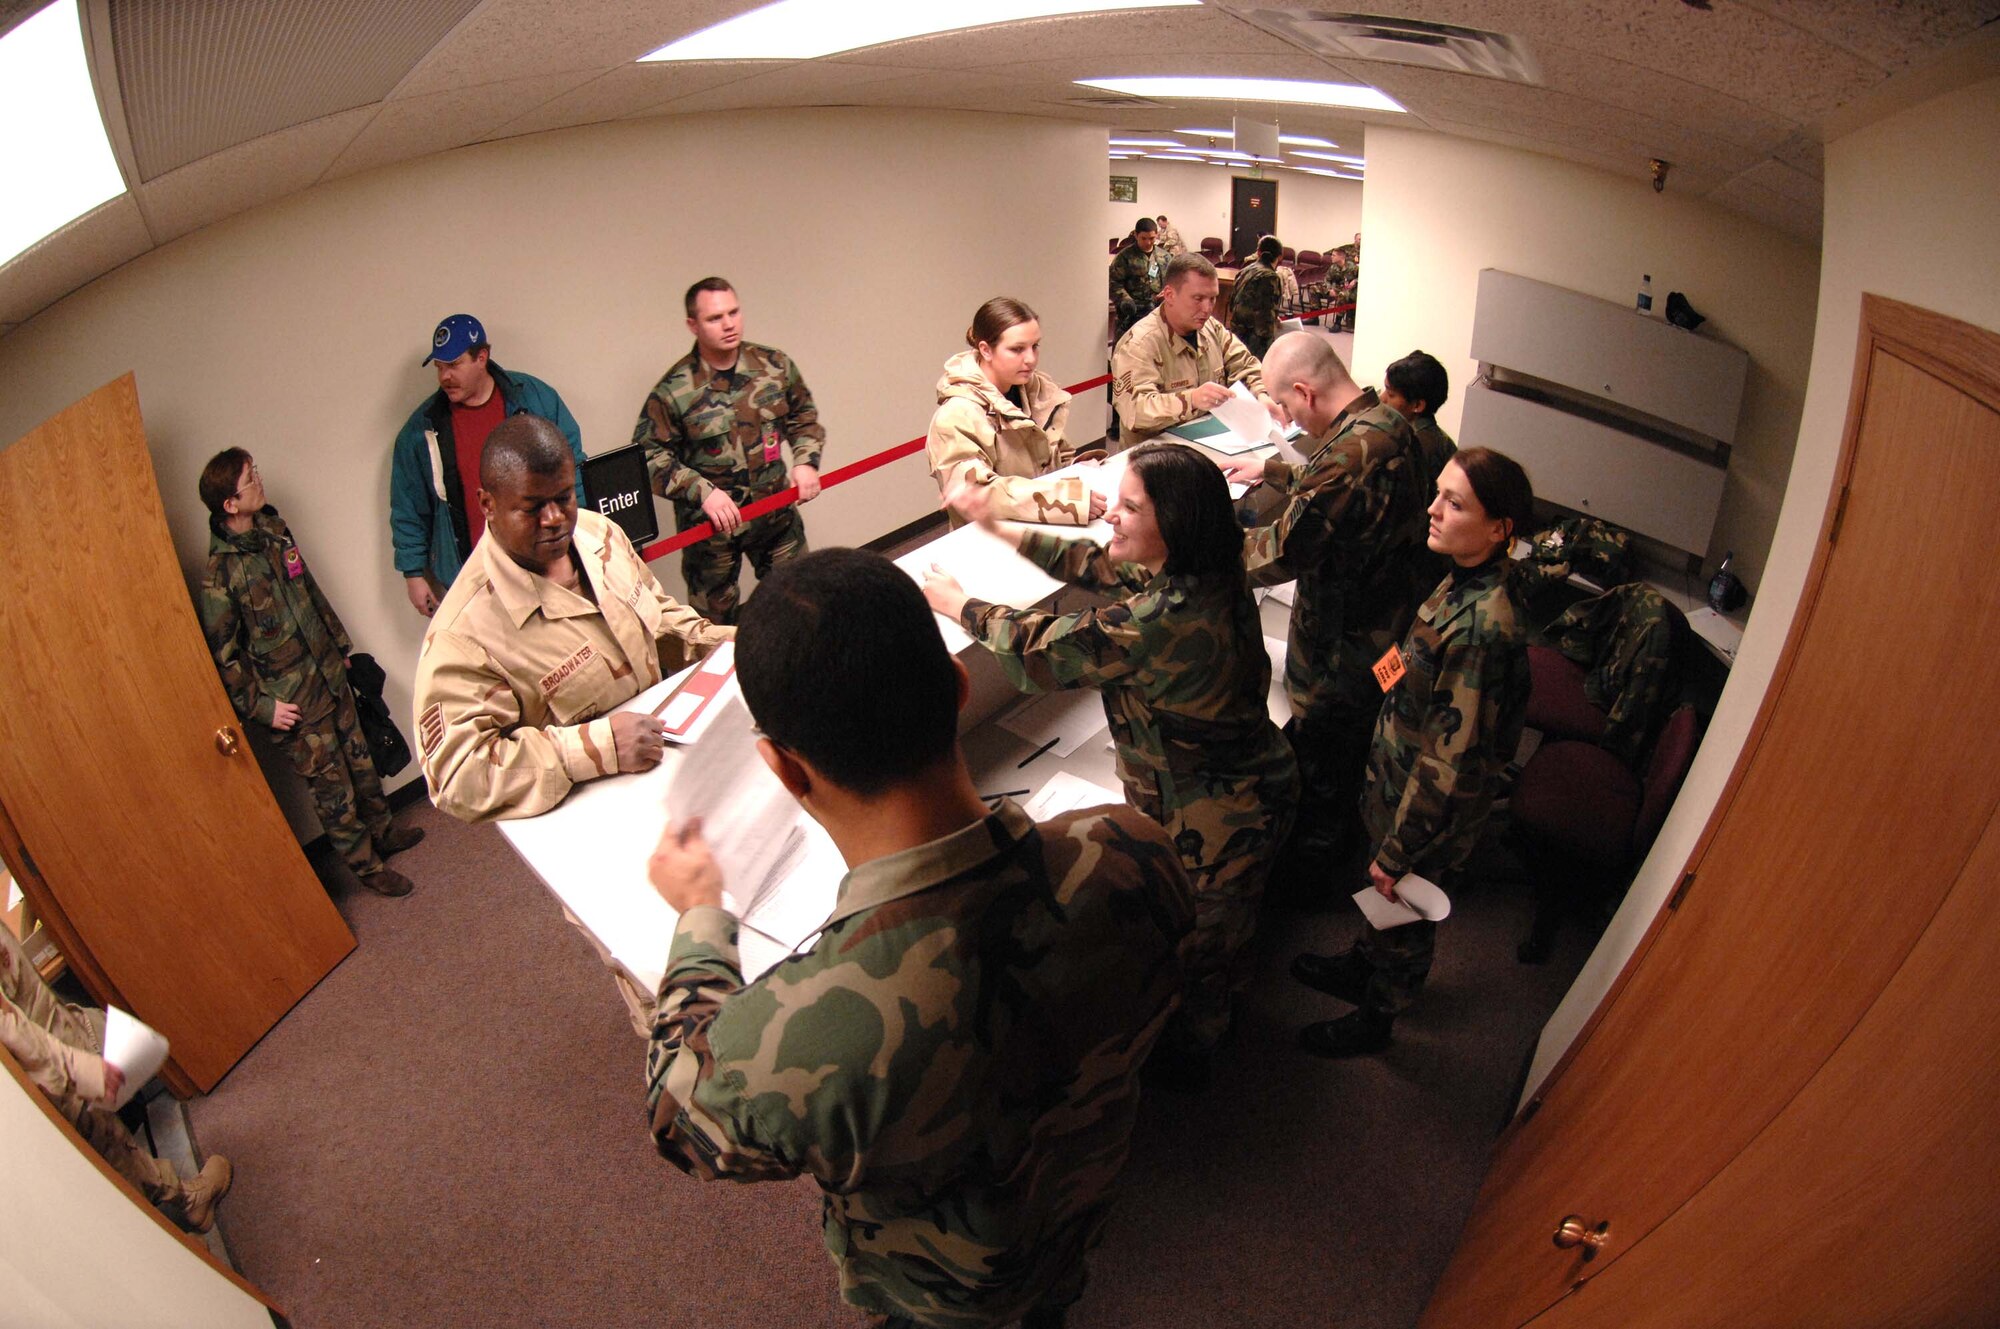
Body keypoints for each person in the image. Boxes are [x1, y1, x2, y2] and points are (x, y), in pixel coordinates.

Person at [644, 548, 1193, 1329]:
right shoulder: (1133, 848)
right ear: (960, 687)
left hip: (937, 1299)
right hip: (1074, 1221)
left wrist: (701, 916)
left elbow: (680, 1116)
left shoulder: (807, 1037)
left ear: (784, 769)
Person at [923, 444, 1297, 1082]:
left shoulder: (1160, 621)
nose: (1111, 518)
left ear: (1173, 523)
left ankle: (1199, 1055)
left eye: (1129, 507)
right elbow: (1095, 563)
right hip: (1243, 779)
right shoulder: (1209, 561)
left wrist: (960, 605)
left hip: (1216, 819)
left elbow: (1041, 649)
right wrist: (999, 524)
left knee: (1204, 948)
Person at [1292, 449, 1535, 1055]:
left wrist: (1401, 852)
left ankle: (1379, 1017)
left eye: (1455, 503)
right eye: (1438, 493)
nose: (1433, 509)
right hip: (1395, 781)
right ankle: (1361, 963)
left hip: (1423, 812)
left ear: (1501, 527)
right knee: (1382, 900)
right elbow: (1412, 656)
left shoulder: (1486, 628)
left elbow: (1453, 764)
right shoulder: (1462, 573)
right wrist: (1361, 690)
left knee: (1403, 911)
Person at [414, 414, 731, 826]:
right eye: (532, 507)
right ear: (487, 504)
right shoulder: (464, 634)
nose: (554, 519)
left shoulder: (599, 535)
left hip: (669, 778)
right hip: (591, 819)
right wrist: (595, 748)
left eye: (563, 498)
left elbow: (661, 622)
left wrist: (744, 644)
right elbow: (457, 778)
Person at [1227, 332, 1432, 901]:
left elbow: (1280, 554)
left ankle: (1313, 876)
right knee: (1356, 744)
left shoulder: (1343, 460)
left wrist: (1193, 551)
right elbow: (1343, 489)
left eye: (1286, 407)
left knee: (1322, 761)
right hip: (1389, 637)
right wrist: (1272, 471)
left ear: (1304, 391)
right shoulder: (1388, 424)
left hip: (1342, 654)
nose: (1289, 418)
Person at [198, 450, 421, 898]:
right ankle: (366, 865)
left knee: (361, 762)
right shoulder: (220, 578)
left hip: (329, 678)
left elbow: (311, 591)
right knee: (331, 789)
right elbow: (226, 658)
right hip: (294, 704)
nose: (259, 481)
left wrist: (341, 650)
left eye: (256, 471)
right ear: (230, 504)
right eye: (250, 479)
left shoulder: (275, 532)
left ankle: (384, 831)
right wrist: (263, 708)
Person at [2, 928, 233, 1230]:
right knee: (103, 1147)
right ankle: (186, 1209)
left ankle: (179, 1207)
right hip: (43, 1065)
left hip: (47, 1030)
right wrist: (79, 1069)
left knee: (103, 1146)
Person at [632, 277, 826, 624]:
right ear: (693, 325)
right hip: (712, 533)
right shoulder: (674, 391)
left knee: (804, 602)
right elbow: (648, 456)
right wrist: (702, 492)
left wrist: (805, 461)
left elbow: (803, 415)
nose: (728, 324)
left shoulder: (774, 366)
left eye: (733, 312)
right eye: (714, 318)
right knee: (715, 630)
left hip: (775, 515)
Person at [390, 313, 586, 615]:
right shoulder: (421, 430)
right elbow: (408, 505)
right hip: (475, 580)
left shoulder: (534, 399)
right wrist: (413, 572)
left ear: (482, 357)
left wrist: (580, 540)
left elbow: (574, 473)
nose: (445, 377)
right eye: (440, 367)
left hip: (544, 565)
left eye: (454, 365)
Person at [926, 297, 1106, 526]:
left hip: (1042, 528)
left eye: (1035, 346)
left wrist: (1081, 469)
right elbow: (977, 495)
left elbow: (1057, 456)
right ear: (986, 350)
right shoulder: (956, 417)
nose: (1030, 359)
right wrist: (1066, 501)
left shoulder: (1034, 392)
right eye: (1017, 349)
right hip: (992, 542)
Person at [1112, 253, 1277, 448]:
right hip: (1154, 459)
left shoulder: (1210, 328)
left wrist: (1261, 395)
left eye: (1213, 299)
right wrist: (1192, 399)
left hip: (1207, 448)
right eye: (1198, 298)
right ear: (1169, 295)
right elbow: (1137, 410)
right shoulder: (1139, 345)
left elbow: (1245, 364)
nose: (1207, 309)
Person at [1382, 349, 1457, 498]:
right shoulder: (1442, 441)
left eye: (1391, 394)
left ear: (1417, 405)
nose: (1382, 398)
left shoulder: (1410, 449)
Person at [1109, 217, 1168, 340]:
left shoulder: (1164, 256)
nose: (1148, 242)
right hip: (1132, 313)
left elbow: (1172, 280)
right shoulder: (1125, 257)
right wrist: (1125, 300)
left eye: (1151, 238)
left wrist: (1166, 292)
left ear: (1156, 235)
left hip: (1157, 312)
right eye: (1144, 238)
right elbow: (1114, 283)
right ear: (1136, 235)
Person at [1230, 235, 1287, 360]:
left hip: (1236, 330)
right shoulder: (1270, 276)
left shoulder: (1244, 271)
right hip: (1255, 337)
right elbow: (1266, 314)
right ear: (1280, 256)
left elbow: (1233, 301)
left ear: (1259, 252)